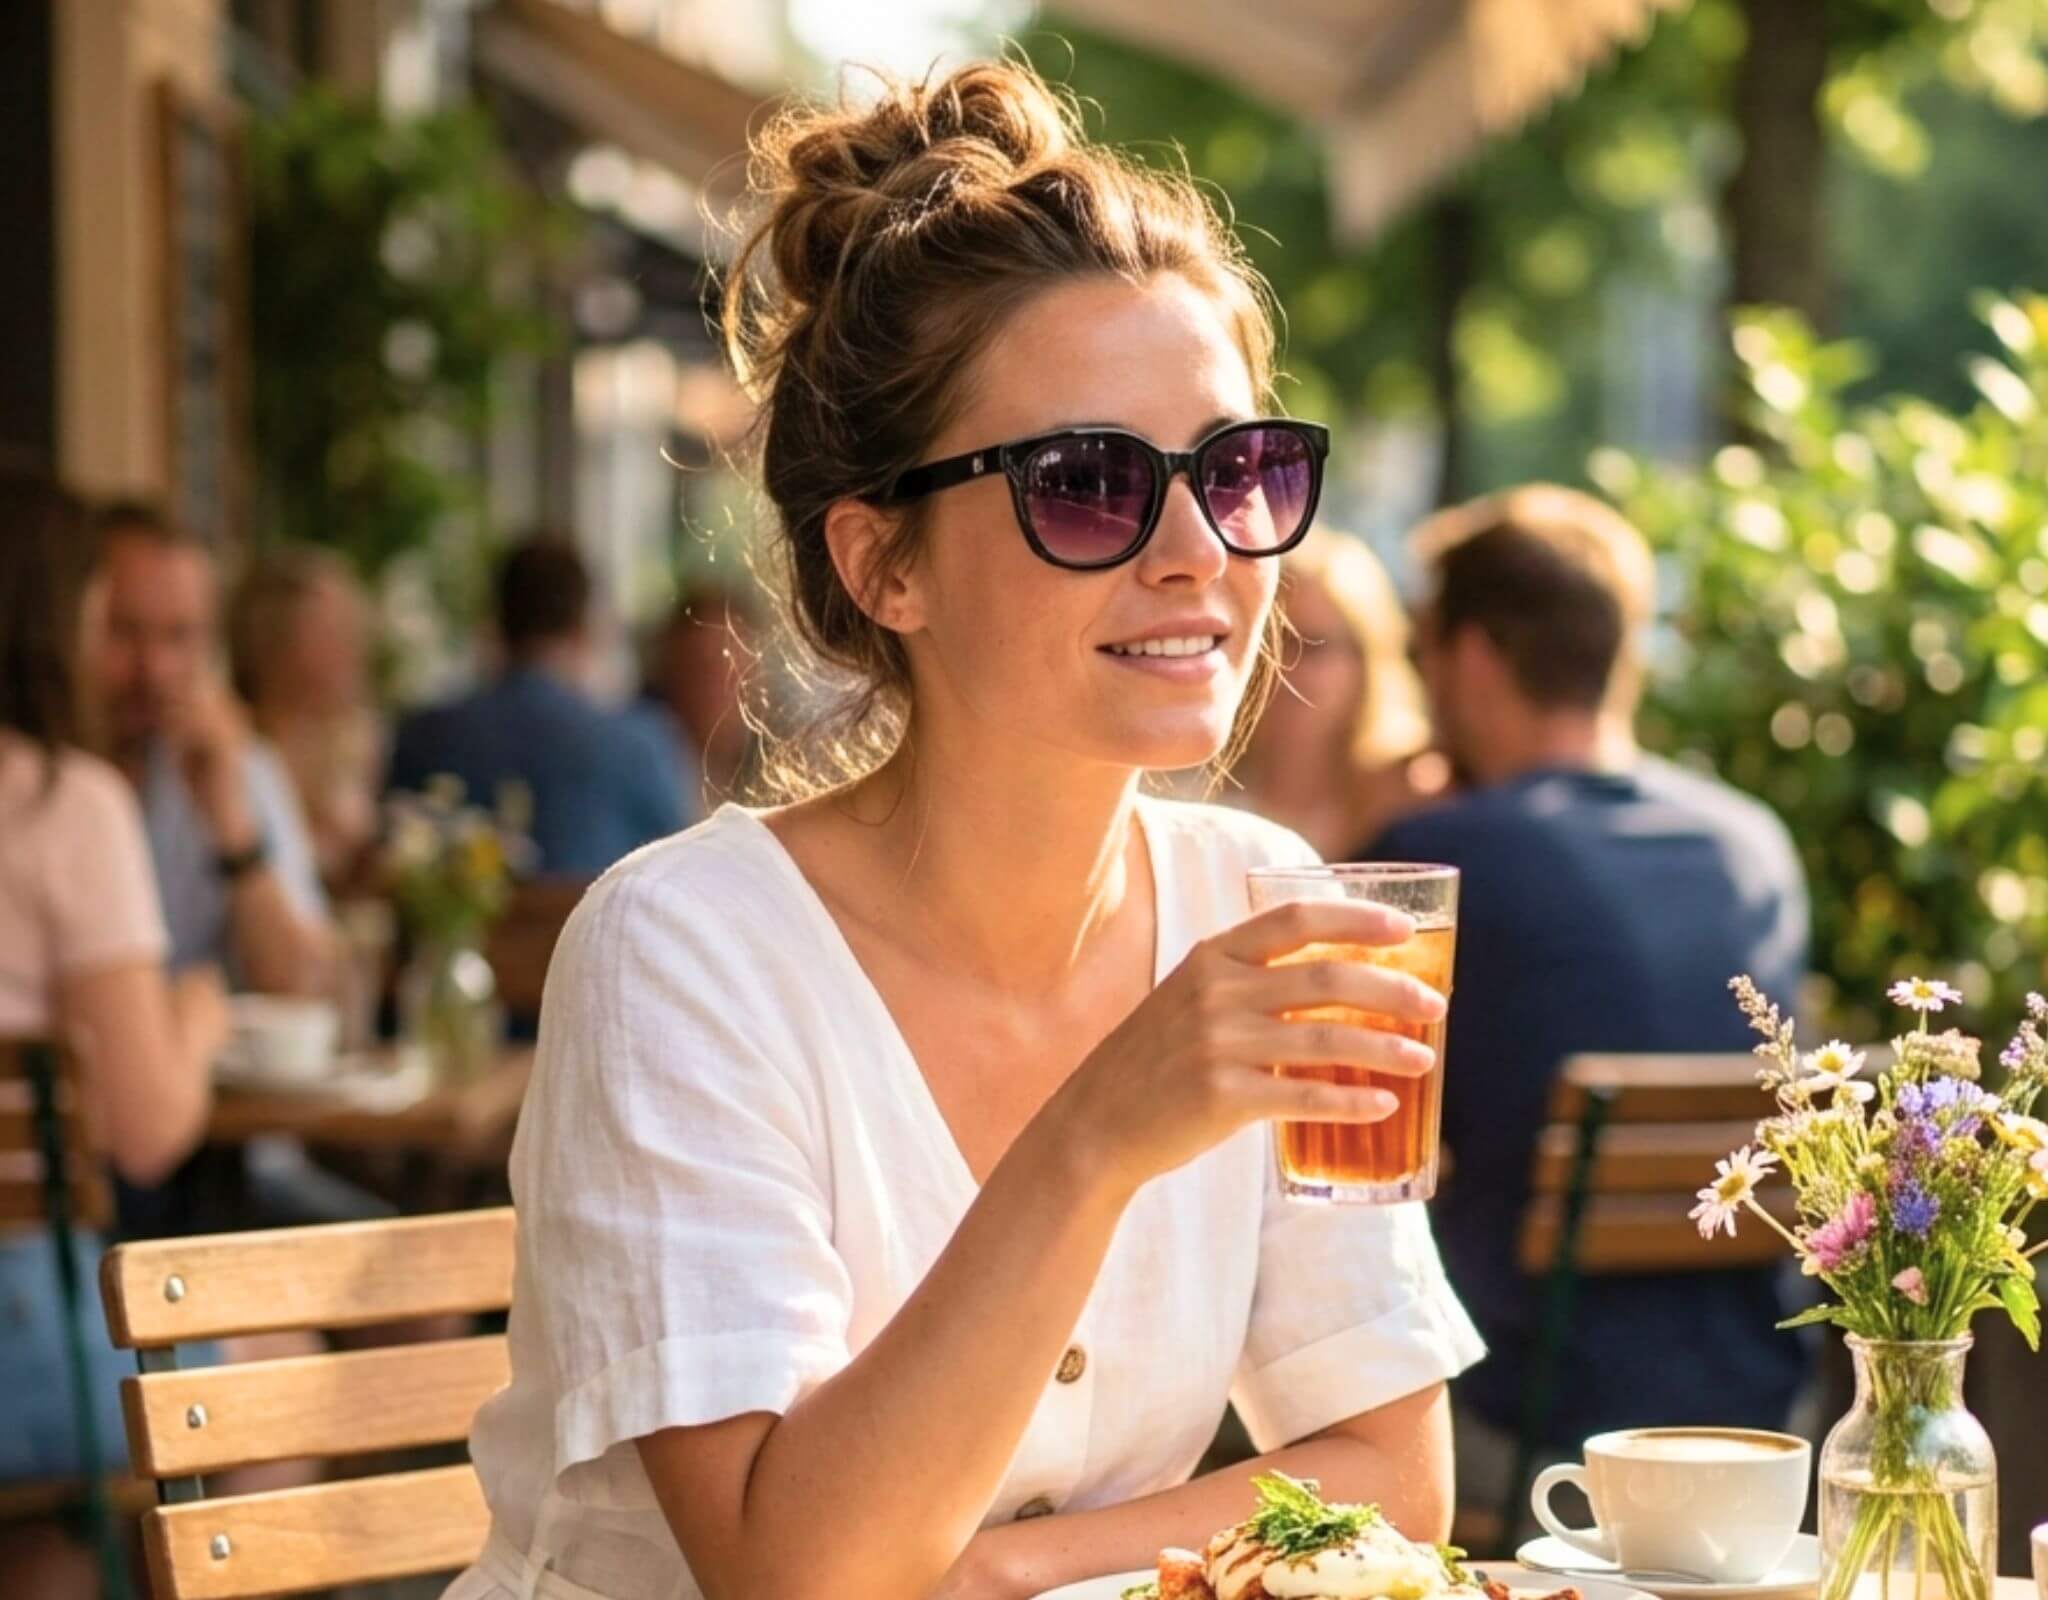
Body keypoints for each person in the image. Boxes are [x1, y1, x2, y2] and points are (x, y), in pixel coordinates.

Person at [444, 60, 1484, 1600]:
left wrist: (998, 1576)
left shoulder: (1260, 902)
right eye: (1087, 486)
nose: (1200, 553)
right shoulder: (681, 954)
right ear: (885, 566)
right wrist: (1096, 1136)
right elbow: (803, 1576)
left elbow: (1393, 1482)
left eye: (1238, 470)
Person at [1364, 485, 1811, 1494]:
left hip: (1522, 1420)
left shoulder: (1439, 858)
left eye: (1417, 653)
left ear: (1469, 656)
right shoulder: (1752, 844)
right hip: (1758, 1409)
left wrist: (1366, 820)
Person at [0, 465, 229, 1595]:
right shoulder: (60, 802)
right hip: (19, 1334)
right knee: (287, 1366)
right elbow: (146, 1130)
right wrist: (193, 1011)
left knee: (50, 1534)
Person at [86, 504, 337, 996]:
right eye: (124, 630)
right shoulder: (35, 779)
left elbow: (310, 988)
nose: (153, 670)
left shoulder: (241, 767)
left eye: (178, 636)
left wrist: (233, 830)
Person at [387, 538, 687, 874]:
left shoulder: (426, 734)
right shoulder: (639, 743)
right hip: (594, 921)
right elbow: (678, 869)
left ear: (496, 626)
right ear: (584, 629)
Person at [1234, 526, 1445, 856]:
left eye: (1316, 645)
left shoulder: (1413, 793)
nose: (1287, 668)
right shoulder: (1184, 786)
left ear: (1368, 658)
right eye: (1274, 643)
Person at [228, 543, 382, 890]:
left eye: (351, 628)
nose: (350, 648)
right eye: (329, 631)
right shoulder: (237, 748)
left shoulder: (355, 739)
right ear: (270, 642)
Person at [641, 578, 760, 805]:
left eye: (727, 668)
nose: (713, 687)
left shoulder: (778, 760)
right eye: (698, 667)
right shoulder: (646, 762)